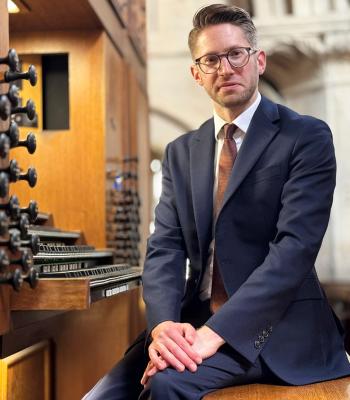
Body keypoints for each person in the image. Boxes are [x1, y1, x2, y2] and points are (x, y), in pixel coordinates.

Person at [83, 4, 350, 400]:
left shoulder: (305, 136)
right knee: (102, 396)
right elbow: (165, 248)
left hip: (275, 329)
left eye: (235, 54)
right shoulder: (180, 152)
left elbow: (293, 251)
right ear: (196, 73)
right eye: (210, 59)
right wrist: (163, 327)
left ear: (258, 60)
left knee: (165, 384)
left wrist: (214, 335)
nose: (225, 68)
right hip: (193, 321)